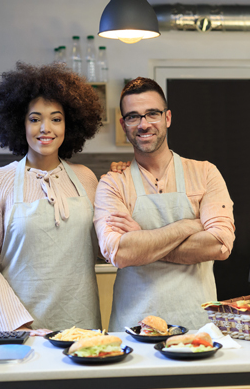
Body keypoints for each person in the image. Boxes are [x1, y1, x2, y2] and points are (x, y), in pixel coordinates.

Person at [0, 62, 103, 334]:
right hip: (22, 332)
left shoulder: (87, 179)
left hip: (82, 329)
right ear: (19, 123)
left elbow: (104, 249)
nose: (46, 128)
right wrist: (20, 327)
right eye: (34, 119)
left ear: (69, 124)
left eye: (56, 119)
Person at [94, 77, 236, 332]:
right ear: (123, 124)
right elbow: (119, 253)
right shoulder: (112, 183)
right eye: (133, 116)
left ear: (167, 118)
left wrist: (142, 240)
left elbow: (220, 245)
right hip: (133, 330)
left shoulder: (205, 173)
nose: (143, 124)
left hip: (196, 327)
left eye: (152, 114)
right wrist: (188, 226)